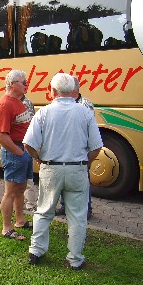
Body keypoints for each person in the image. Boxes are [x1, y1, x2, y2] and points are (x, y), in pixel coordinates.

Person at [23, 73, 103, 270]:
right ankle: (75, 259)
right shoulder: (85, 112)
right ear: (74, 92)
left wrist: (39, 158)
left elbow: (28, 144)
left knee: (43, 210)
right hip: (77, 169)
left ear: (52, 91)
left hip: (51, 167)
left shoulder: (43, 112)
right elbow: (96, 147)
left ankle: (36, 251)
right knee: (77, 216)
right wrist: (84, 163)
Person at [0, 69, 33, 241]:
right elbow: (1, 135)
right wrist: (20, 153)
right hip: (14, 152)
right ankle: (6, 228)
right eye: (23, 82)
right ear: (11, 84)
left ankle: (20, 220)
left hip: (21, 150)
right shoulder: (5, 104)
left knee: (20, 189)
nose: (26, 84)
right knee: (10, 192)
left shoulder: (19, 101)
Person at [56, 76, 95, 219]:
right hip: (63, 147)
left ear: (74, 89)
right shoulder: (61, 103)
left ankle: (87, 209)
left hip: (79, 148)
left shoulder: (85, 104)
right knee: (64, 180)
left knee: (83, 180)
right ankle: (65, 206)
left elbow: (88, 128)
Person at [21, 94, 37, 212]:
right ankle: (20, 201)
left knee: (27, 176)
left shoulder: (25, 103)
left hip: (24, 143)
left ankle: (30, 203)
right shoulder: (16, 101)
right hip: (22, 142)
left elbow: (30, 125)